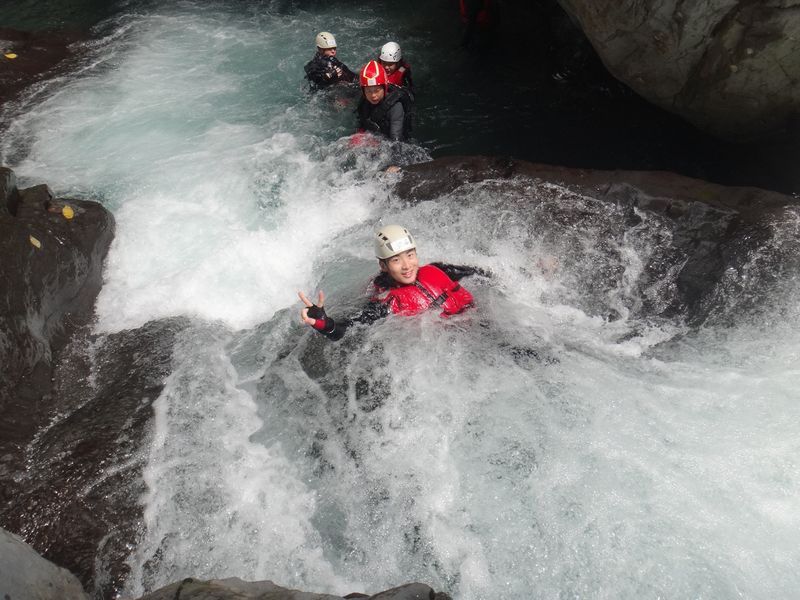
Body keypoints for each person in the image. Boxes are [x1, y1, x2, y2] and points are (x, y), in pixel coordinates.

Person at [298, 224, 485, 341]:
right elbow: (344, 330)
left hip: (479, 323)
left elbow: (481, 274)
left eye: (410, 256)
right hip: (451, 344)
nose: (406, 266)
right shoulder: (387, 302)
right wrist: (325, 323)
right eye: (396, 260)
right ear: (384, 265)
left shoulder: (438, 269)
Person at [355, 60, 414, 142]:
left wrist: (377, 144)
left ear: (385, 88)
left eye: (377, 90)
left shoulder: (396, 107)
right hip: (376, 135)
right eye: (368, 91)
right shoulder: (364, 102)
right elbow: (362, 123)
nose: (373, 95)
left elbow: (396, 141)